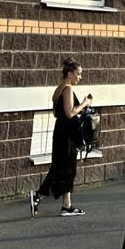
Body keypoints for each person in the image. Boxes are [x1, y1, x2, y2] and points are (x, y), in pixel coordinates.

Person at [30, 58, 95, 217]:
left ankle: (67, 206)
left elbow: (55, 113)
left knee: (65, 167)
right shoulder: (68, 89)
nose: (80, 77)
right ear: (70, 73)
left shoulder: (58, 89)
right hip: (67, 136)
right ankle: (39, 195)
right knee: (64, 169)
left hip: (60, 131)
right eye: (78, 74)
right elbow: (70, 113)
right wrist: (85, 103)